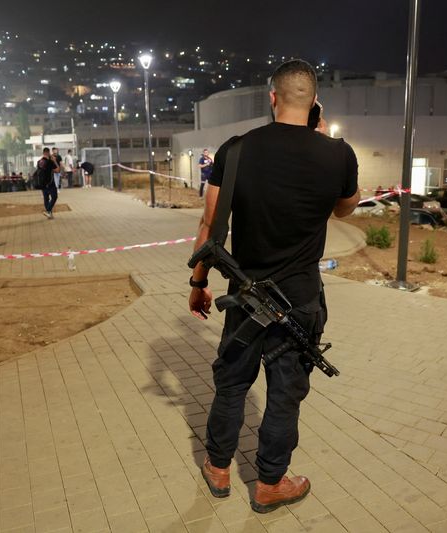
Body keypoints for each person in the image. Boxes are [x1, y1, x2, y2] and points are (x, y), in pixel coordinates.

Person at [188, 59, 359, 514]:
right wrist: (322, 143)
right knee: (284, 395)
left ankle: (219, 468)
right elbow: (346, 210)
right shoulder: (339, 154)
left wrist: (198, 282)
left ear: (272, 97)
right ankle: (269, 483)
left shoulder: (236, 150)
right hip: (300, 300)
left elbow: (209, 223)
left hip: (245, 295)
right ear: (315, 102)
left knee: (232, 385)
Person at [36, 147, 60, 218]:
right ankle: (48, 211)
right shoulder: (50, 162)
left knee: (46, 198)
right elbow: (58, 170)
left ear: (43, 153)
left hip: (42, 183)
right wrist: (55, 161)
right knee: (54, 197)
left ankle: (49, 214)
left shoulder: (39, 162)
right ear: (47, 153)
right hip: (50, 183)